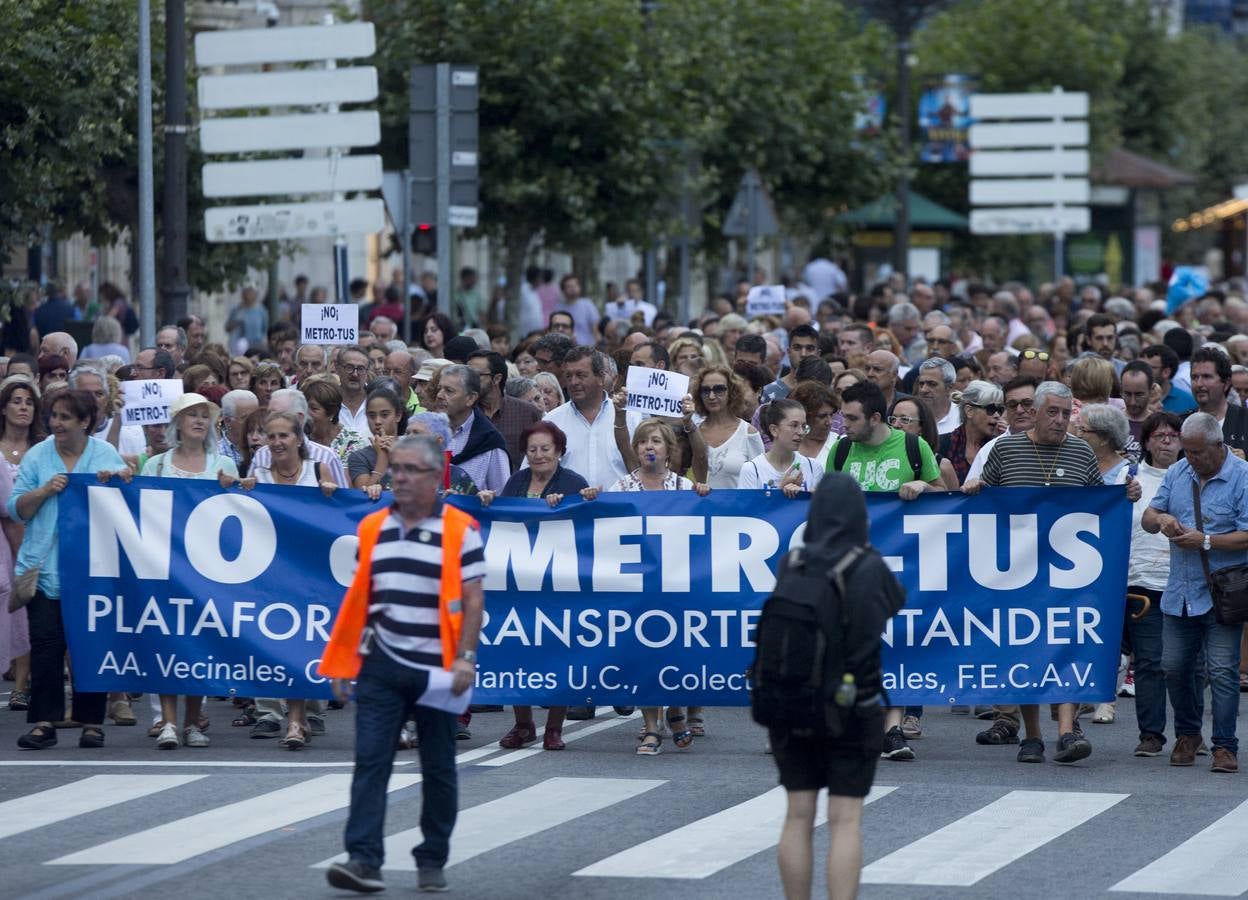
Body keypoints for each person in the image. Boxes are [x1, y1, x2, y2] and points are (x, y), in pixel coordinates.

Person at [320, 434, 485, 893]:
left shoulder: (460, 529)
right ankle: (363, 860)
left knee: (438, 767)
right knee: (371, 760)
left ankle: (432, 857)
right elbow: (360, 601)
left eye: (412, 470)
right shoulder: (373, 527)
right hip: (381, 665)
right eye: (397, 468)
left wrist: (466, 658)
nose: (401, 477)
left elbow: (473, 599)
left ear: (435, 478)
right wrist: (343, 663)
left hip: (438, 668)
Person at [966, 381, 1139, 764]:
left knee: (1068, 647)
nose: (1060, 420)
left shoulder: (1080, 452)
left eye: (1066, 413)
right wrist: (976, 487)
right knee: (1023, 653)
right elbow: (982, 503)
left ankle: (1066, 731)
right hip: (1017, 572)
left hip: (1068, 576)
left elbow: (1098, 506)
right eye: (1053, 412)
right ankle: (1032, 737)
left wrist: (1123, 497)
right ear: (1034, 411)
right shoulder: (1005, 449)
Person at [772, 473, 905, 900]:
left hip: (793, 703)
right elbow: (894, 604)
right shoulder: (869, 565)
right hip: (854, 701)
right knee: (845, 819)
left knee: (797, 815)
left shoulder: (792, 563)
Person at [827, 380, 943, 760]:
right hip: (852, 569)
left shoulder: (913, 446)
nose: (844, 425)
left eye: (851, 418)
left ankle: (892, 730)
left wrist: (922, 486)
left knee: (896, 646)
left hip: (903, 569)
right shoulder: (842, 450)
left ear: (875, 418)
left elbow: (945, 497)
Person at [10, 389, 126, 750]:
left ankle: (92, 721)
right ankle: (45, 721)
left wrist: (118, 482)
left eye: (63, 417)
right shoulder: (38, 455)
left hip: (93, 569)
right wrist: (45, 490)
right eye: (53, 416)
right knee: (46, 646)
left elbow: (127, 503)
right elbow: (17, 509)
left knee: (90, 646)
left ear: (85, 422)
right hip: (45, 569)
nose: (55, 423)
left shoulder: (104, 454)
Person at [479, 422, 597, 751]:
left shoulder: (574, 482)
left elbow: (587, 520)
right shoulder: (516, 482)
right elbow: (499, 520)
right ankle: (523, 724)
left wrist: (579, 500)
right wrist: (488, 499)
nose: (539, 455)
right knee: (517, 650)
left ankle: (554, 728)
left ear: (559, 451)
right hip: (517, 581)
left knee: (556, 652)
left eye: (546, 449)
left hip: (557, 583)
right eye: (532, 450)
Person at [1142, 413, 1248, 774]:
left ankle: (1225, 745)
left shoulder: (1243, 478)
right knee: (1173, 667)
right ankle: (1188, 734)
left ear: (1219, 446)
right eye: (1186, 451)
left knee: (1221, 671)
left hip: (1223, 594)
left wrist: (1204, 540)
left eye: (1198, 452)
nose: (1191, 458)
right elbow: (1148, 516)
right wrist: (1161, 520)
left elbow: (1247, 535)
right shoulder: (1177, 473)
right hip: (1180, 592)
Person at [138, 394, 240, 749]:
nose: (198, 420)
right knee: (166, 642)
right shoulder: (156, 465)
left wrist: (237, 489)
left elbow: (239, 515)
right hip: (163, 567)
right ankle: (167, 722)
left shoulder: (223, 464)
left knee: (200, 645)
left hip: (206, 570)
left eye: (203, 415)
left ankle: (193, 722)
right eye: (191, 415)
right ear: (177, 423)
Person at [606, 420, 709, 755]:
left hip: (678, 586)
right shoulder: (621, 487)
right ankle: (652, 726)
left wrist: (706, 497)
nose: (649, 448)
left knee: (678, 653)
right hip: (637, 587)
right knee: (643, 654)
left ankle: (677, 712)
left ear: (668, 449)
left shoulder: (683, 487)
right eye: (642, 443)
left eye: (656, 442)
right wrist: (592, 497)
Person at [1119, 412, 1182, 758]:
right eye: (1160, 436)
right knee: (1148, 662)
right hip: (1141, 580)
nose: (1167, 441)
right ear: (1146, 442)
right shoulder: (1129, 478)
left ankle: (1190, 735)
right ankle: (1151, 735)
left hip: (1187, 581)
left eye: (1173, 435)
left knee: (1191, 664)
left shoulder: (1194, 477)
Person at [0, 375, 39, 714]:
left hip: (33, 536)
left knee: (26, 612)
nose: (23, 407)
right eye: (16, 401)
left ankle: (22, 686)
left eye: (28, 402)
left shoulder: (40, 449)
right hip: (6, 539)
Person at [436, 365, 509, 493]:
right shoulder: (425, 431)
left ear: (470, 398)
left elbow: (502, 497)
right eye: (439, 389)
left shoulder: (490, 442)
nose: (440, 395)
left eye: (449, 391)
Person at [466, 350, 542, 470]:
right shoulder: (464, 413)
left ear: (496, 379)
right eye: (467, 375)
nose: (469, 381)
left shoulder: (527, 412)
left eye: (476, 376)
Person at [692, 366, 764, 488]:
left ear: (732, 392)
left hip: (738, 506)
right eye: (705, 390)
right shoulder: (693, 432)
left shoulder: (748, 433)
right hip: (701, 506)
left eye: (719, 389)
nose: (711, 396)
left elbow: (761, 479)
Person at [739, 399, 822, 495]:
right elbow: (748, 509)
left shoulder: (813, 467)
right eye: (794, 425)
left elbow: (820, 509)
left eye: (803, 426)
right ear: (774, 430)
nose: (801, 432)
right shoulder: (752, 469)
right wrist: (780, 491)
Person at [940, 380, 1005, 485]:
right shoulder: (942, 444)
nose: (997, 415)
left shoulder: (999, 446)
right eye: (990, 409)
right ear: (969, 411)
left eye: (1000, 410)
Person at [888, 396, 959, 491]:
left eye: (904, 419)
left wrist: (926, 487)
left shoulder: (942, 466)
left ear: (922, 427)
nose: (896, 425)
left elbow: (952, 503)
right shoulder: (881, 455)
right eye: (893, 419)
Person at [348, 387, 409, 493]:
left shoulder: (415, 448)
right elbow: (364, 497)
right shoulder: (358, 457)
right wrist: (382, 457)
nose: (377, 421)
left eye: (384, 415)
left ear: (398, 416)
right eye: (371, 416)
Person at [301, 378, 368, 466]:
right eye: (303, 407)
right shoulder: (299, 438)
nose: (306, 414)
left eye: (314, 409)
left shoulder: (352, 443)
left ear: (332, 412)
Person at [793, 382, 838, 469]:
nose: (829, 422)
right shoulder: (788, 445)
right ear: (805, 416)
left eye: (831, 415)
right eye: (822, 416)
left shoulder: (839, 444)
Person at [914, 358, 960, 435]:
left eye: (932, 384)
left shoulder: (962, 418)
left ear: (949, 387)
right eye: (921, 384)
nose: (923, 390)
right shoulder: (910, 417)